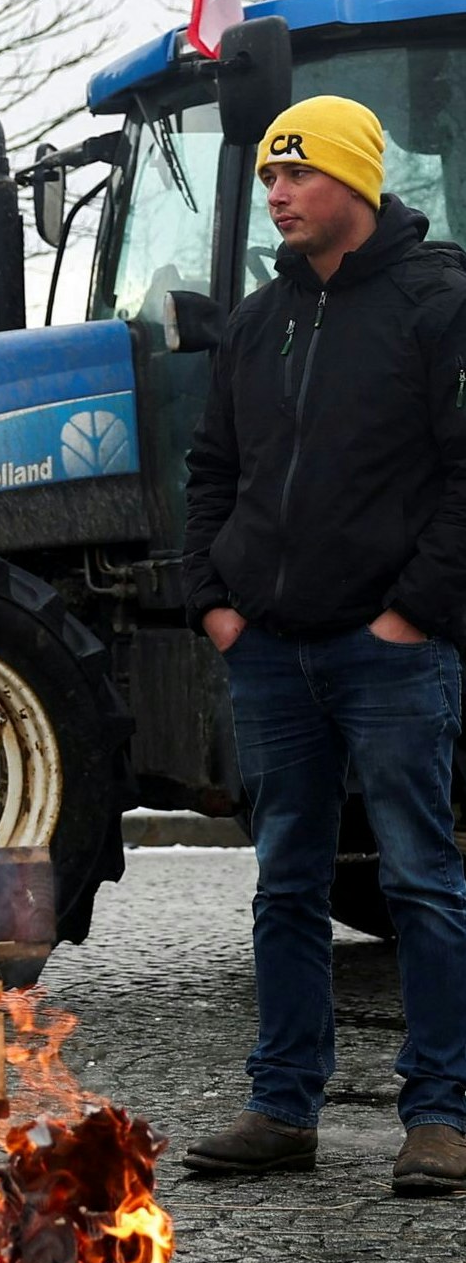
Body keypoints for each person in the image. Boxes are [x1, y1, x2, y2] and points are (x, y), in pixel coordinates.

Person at [182, 96, 466, 1193]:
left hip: (389, 650)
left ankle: (439, 1116)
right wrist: (215, 602)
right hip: (269, 652)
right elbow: (211, 471)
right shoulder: (258, 321)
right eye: (267, 178)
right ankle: (280, 1106)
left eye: (295, 176)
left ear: (354, 182)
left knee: (421, 880)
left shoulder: (436, 305)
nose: (277, 195)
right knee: (284, 883)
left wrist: (410, 614)